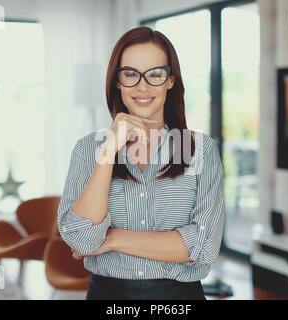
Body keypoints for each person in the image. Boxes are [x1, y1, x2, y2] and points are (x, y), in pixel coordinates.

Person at [57, 26, 225, 300]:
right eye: (131, 74)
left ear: (171, 80)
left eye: (155, 74)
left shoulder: (200, 150)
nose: (142, 86)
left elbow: (204, 246)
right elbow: (81, 240)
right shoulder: (88, 150)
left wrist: (111, 238)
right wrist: (109, 149)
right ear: (117, 82)